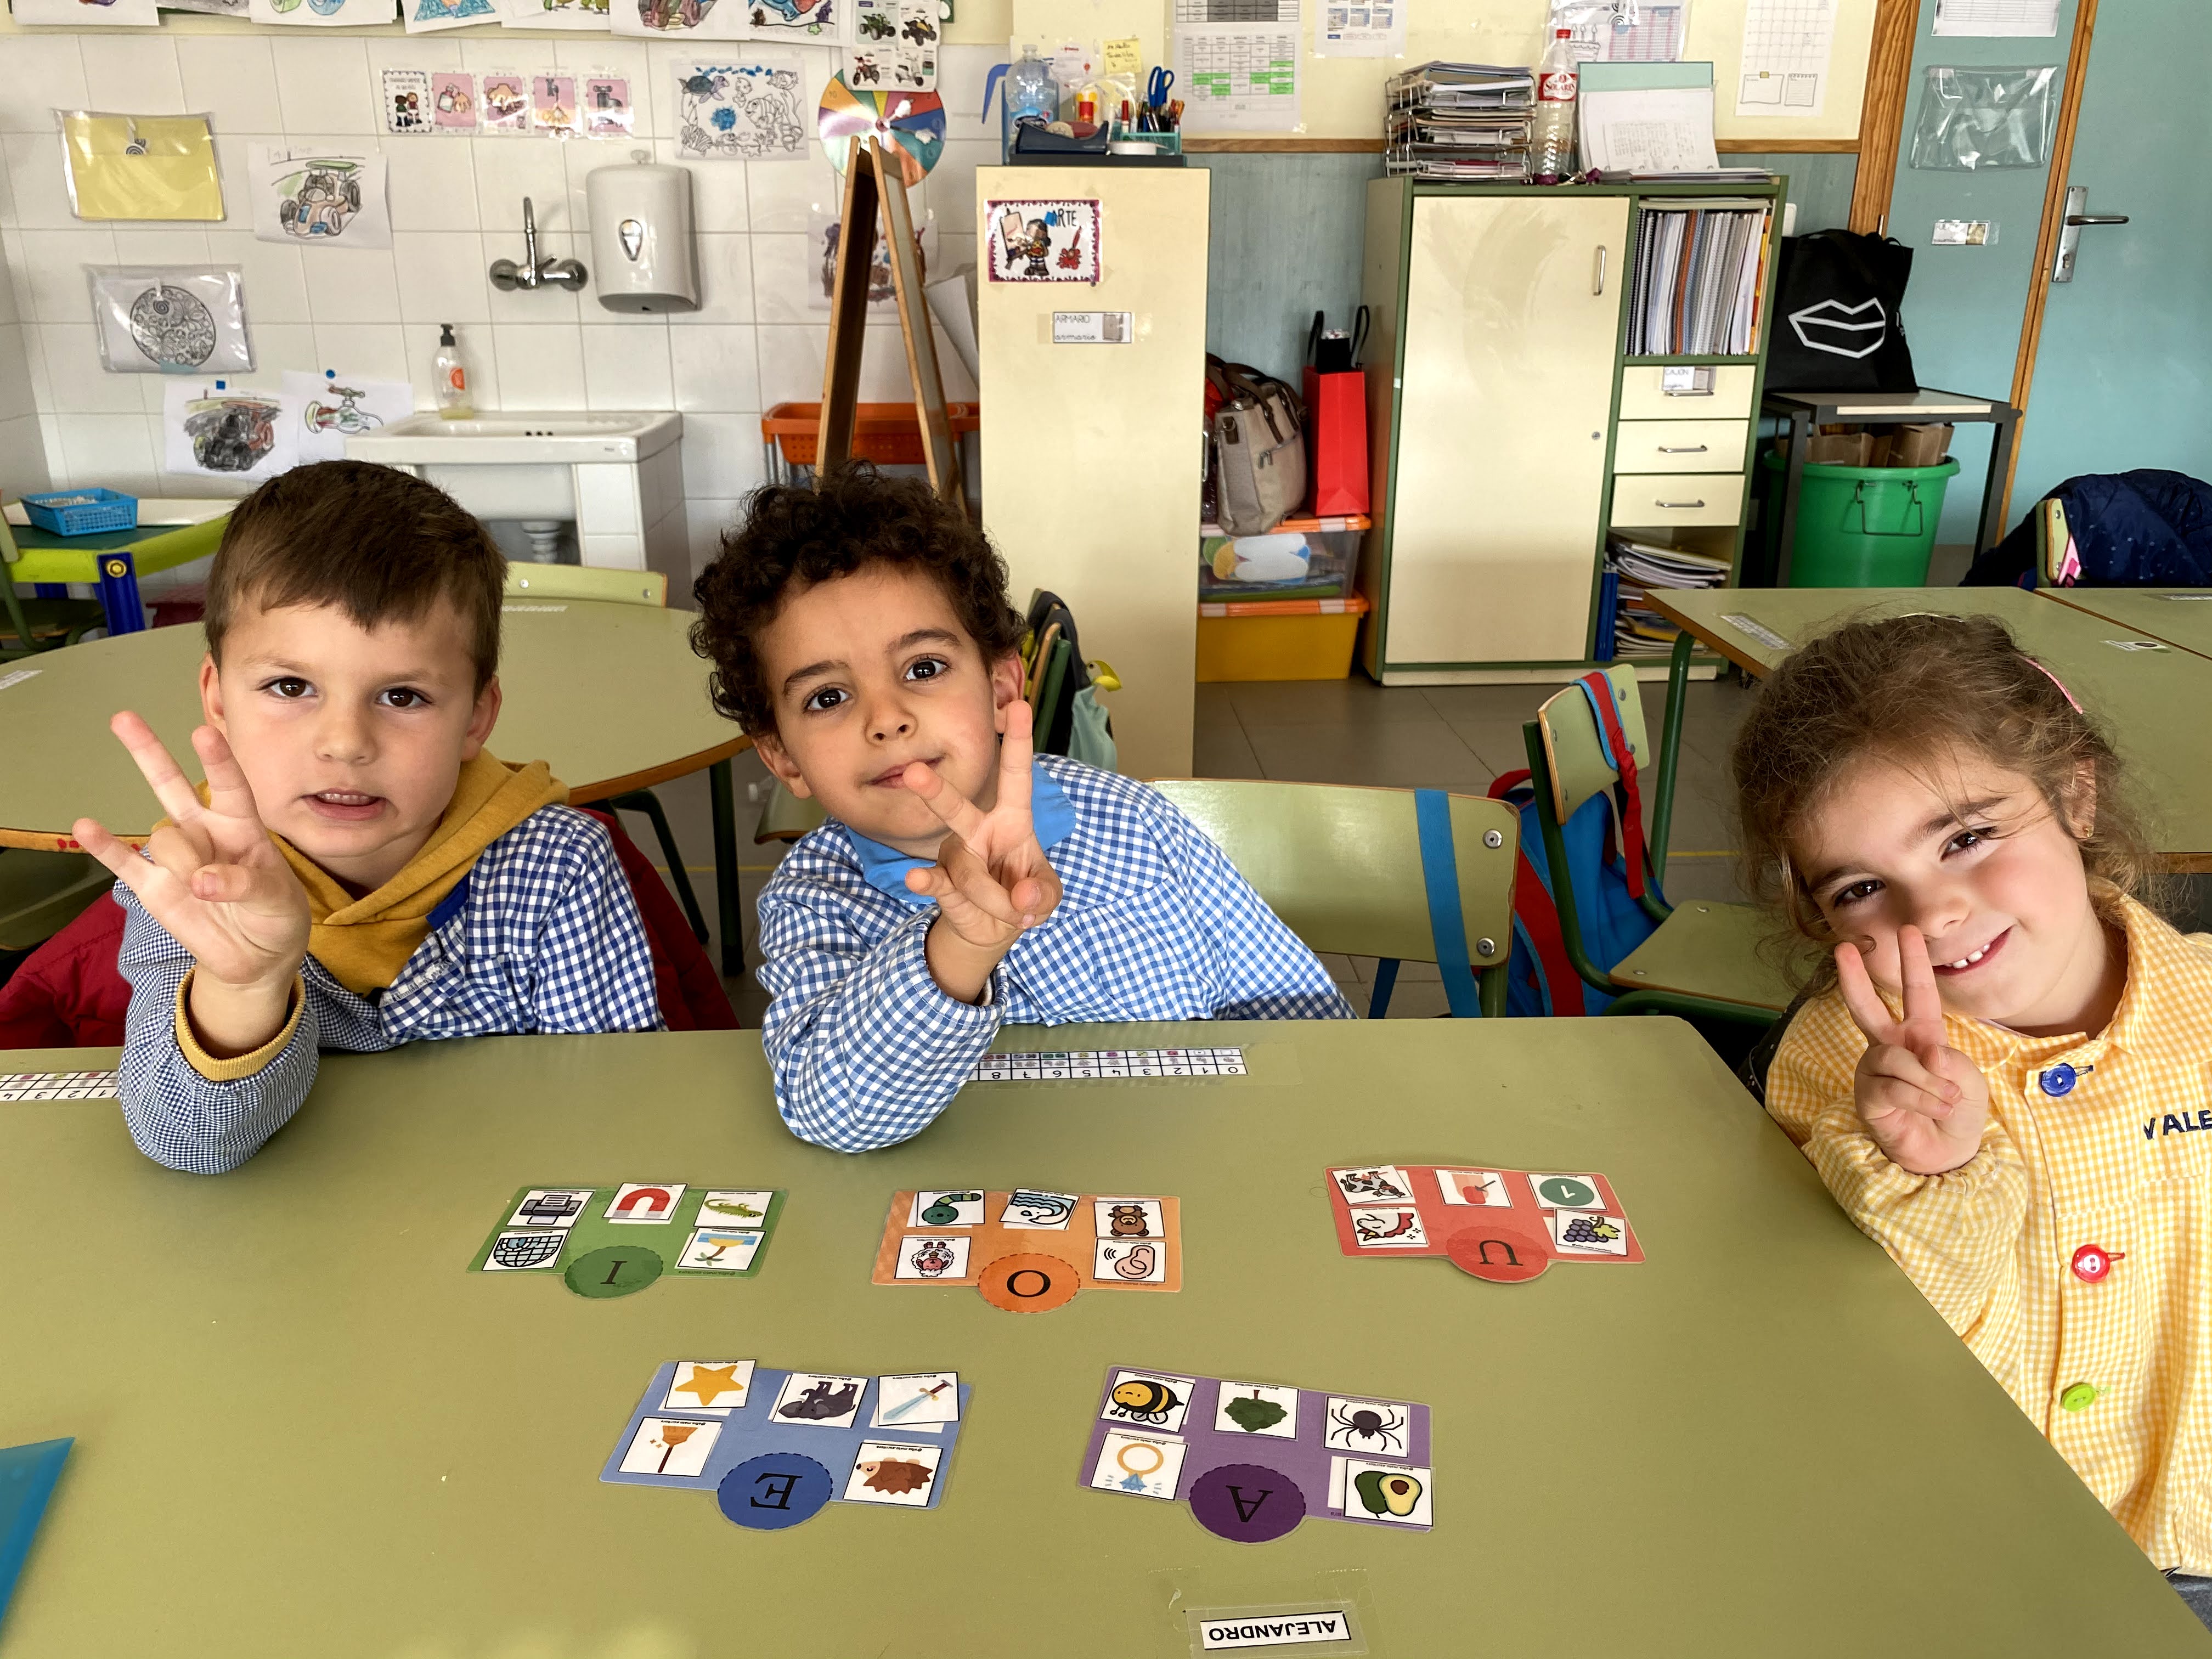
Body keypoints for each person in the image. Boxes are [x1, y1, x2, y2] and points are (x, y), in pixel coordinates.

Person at [1732, 611, 2212, 1625]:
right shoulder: (1837, 1064)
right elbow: (1854, 1352)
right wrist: (1928, 1175)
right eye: (1864, 887)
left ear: (2075, 794)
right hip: (1959, 1552)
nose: (1932, 913)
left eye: (1966, 838)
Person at [690, 464, 1351, 1153]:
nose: (886, 719)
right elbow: (835, 1118)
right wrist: (960, 948)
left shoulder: (1136, 823)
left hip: (1189, 1170)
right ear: (783, 757)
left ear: (1003, 688)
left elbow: (1298, 1012)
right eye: (827, 697)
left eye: (923, 668)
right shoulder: (813, 902)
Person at [75, 461, 661, 1176]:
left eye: (403, 697)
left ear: (476, 716)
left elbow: (616, 1113)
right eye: (291, 686)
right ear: (220, 700)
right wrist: (245, 988)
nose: (346, 743)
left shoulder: (557, 866)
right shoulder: (193, 878)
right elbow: (187, 1145)